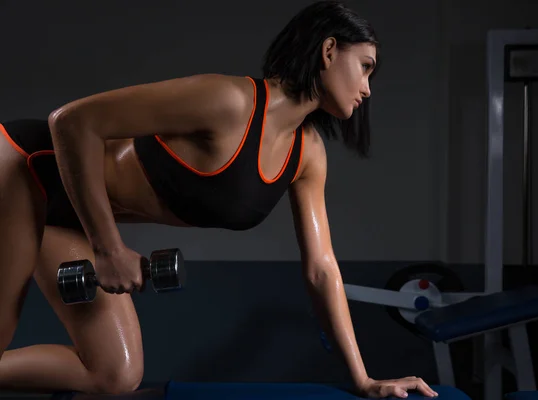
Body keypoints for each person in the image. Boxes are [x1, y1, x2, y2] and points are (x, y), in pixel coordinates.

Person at [0, 1, 438, 398]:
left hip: (67, 214)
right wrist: (108, 248)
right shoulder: (229, 102)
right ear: (328, 51)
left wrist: (362, 379)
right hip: (21, 167)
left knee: (115, 374)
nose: (368, 88)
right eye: (365, 67)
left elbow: (322, 269)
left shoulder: (307, 155)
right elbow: (71, 122)